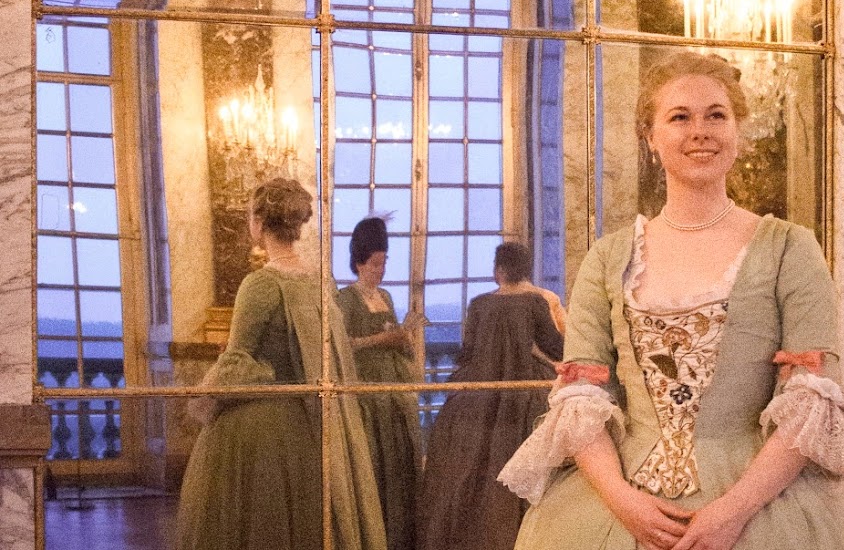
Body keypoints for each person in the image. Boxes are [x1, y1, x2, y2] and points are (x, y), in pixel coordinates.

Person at [498, 51, 844, 550]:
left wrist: (732, 512)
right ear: (651, 138)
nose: (700, 131)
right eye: (679, 117)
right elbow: (580, 399)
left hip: (759, 506)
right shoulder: (608, 257)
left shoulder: (790, 247)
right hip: (619, 507)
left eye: (716, 115)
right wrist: (621, 500)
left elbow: (809, 400)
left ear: (738, 131)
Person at [177, 178, 385, 550]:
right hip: (310, 425)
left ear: (258, 221)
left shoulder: (261, 284)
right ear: (297, 225)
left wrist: (200, 397)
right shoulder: (319, 282)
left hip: (259, 430)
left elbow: (237, 363)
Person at [418, 242, 564, 550]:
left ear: (498, 270)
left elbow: (467, 352)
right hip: (523, 395)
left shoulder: (479, 304)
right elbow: (555, 346)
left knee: (465, 463)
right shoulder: (536, 302)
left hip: (476, 395)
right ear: (526, 269)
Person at [336, 217, 424, 550]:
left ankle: (400, 536)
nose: (380, 270)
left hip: (393, 389)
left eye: (384, 262)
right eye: (375, 264)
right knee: (374, 462)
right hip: (366, 392)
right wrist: (380, 339)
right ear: (359, 262)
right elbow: (343, 345)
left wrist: (403, 337)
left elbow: (395, 340)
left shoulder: (385, 295)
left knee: (399, 462)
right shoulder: (345, 299)